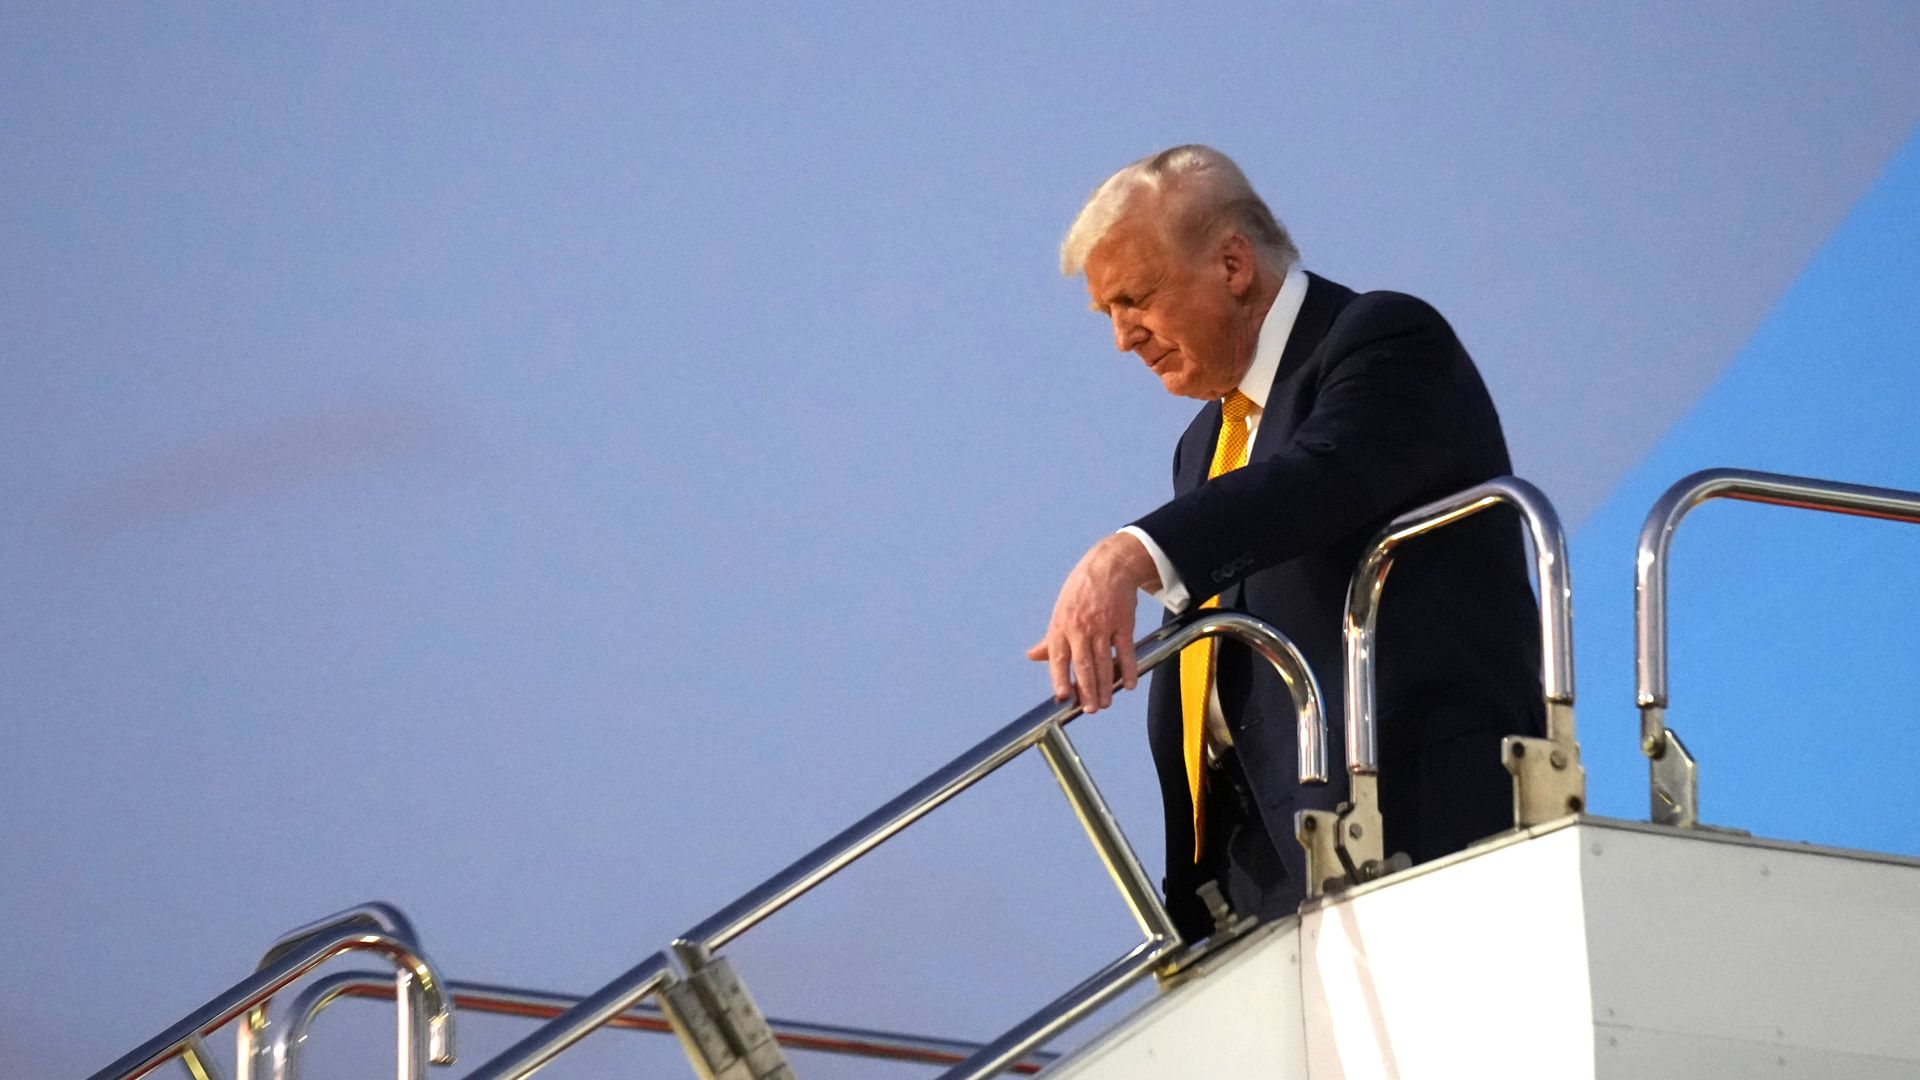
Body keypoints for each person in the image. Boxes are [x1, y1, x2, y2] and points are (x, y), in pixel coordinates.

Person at [1029, 145, 1544, 939]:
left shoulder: (1380, 339)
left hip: (1417, 829)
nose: (1124, 339)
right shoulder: (1202, 442)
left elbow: (1320, 481)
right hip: (1255, 883)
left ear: (1233, 264)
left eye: (1136, 299)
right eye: (1108, 315)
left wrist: (1128, 553)